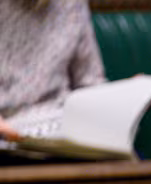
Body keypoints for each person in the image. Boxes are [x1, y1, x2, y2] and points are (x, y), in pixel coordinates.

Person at [0, 0, 106, 159]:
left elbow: (90, 83)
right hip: (6, 133)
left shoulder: (73, 5)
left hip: (61, 130)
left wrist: (126, 97)